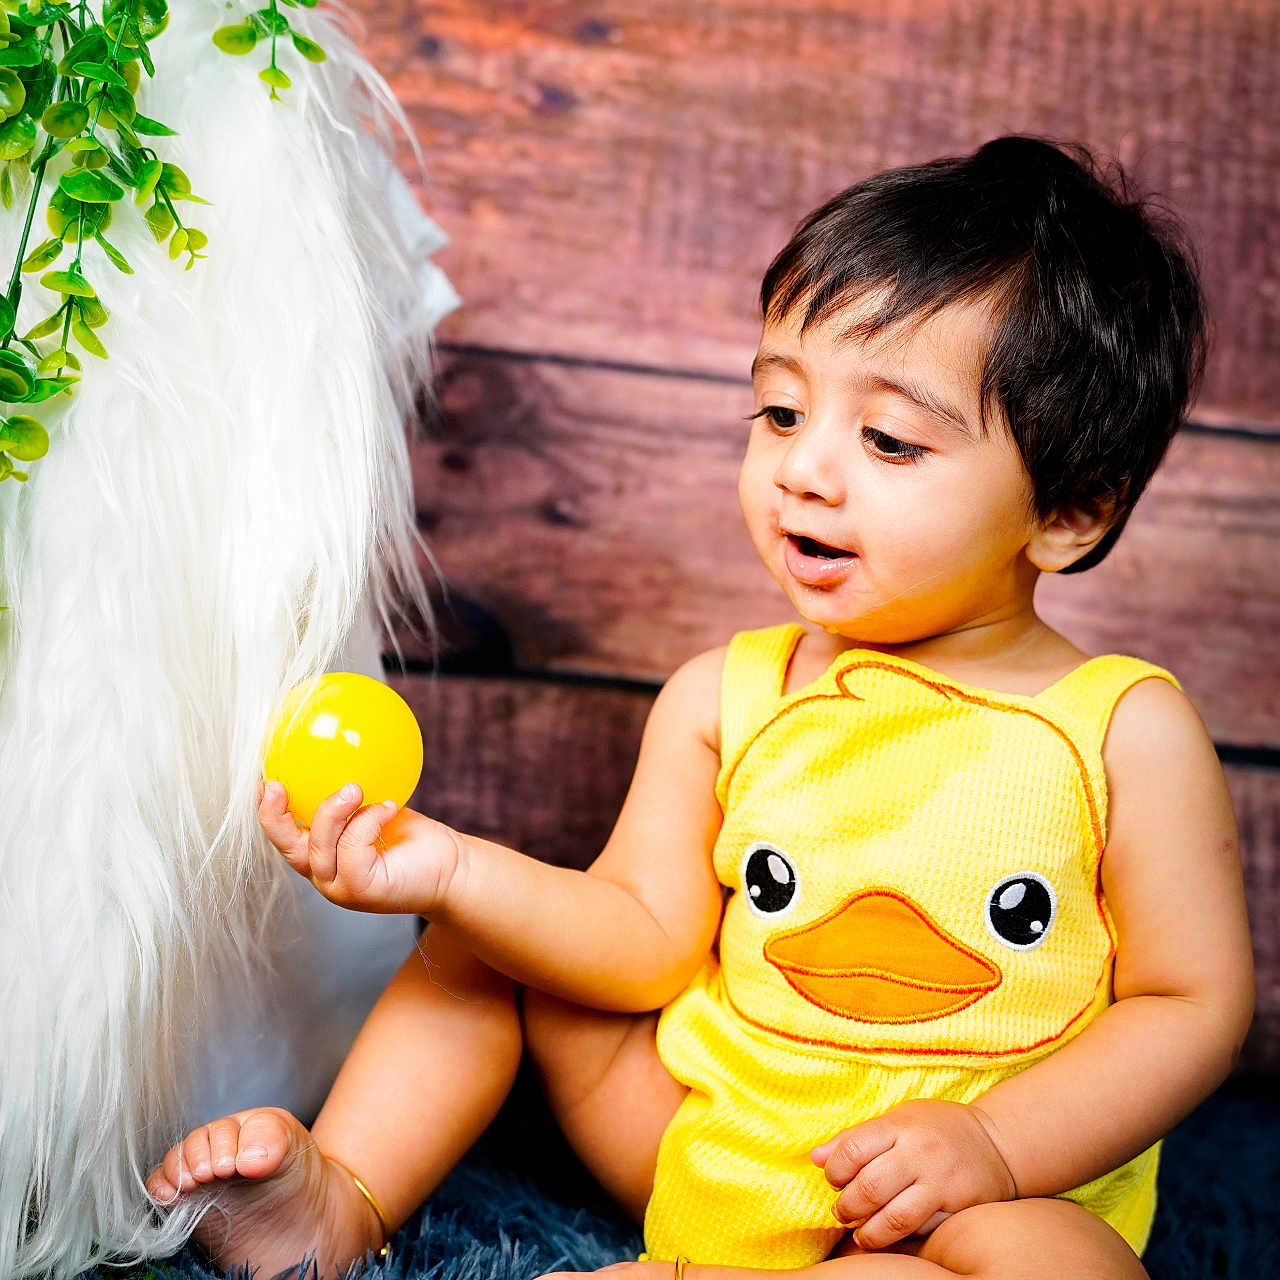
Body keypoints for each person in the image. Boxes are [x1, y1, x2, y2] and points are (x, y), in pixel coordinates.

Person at [147, 135, 1255, 1280]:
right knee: (495, 945)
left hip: (957, 1201)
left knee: (1061, 1267)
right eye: (779, 412)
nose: (805, 470)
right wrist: (445, 872)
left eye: (886, 438)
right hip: (706, 1131)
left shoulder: (1118, 725)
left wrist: (993, 1139)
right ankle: (338, 1199)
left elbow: (1191, 1002)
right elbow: (634, 937)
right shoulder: (723, 697)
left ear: (1068, 511)